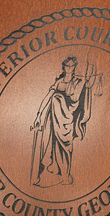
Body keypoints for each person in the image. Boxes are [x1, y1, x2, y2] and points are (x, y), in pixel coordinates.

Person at [29, 56, 99, 188]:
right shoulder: (59, 82)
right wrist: (38, 116)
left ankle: (65, 174)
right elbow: (47, 98)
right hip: (53, 120)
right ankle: (53, 172)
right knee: (50, 144)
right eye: (67, 66)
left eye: (72, 66)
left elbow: (78, 97)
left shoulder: (78, 82)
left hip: (67, 120)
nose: (69, 69)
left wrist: (89, 78)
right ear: (64, 67)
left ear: (74, 68)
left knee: (66, 148)